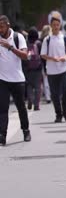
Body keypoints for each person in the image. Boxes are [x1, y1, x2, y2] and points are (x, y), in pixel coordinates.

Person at [0, 15, 31, 146]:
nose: (0, 29)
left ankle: (26, 130)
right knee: (2, 108)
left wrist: (10, 47)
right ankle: (2, 135)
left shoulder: (18, 37)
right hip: (2, 79)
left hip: (17, 79)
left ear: (8, 25)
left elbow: (25, 56)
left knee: (21, 107)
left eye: (1, 26)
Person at [40, 11, 66, 123]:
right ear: (51, 26)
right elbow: (43, 54)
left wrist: (65, 57)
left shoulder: (64, 38)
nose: (55, 27)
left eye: (57, 25)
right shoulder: (47, 39)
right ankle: (58, 114)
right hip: (52, 71)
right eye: (53, 25)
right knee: (54, 95)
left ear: (60, 25)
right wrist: (52, 58)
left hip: (64, 69)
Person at [24, 27, 43, 111]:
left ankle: (30, 100)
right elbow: (42, 56)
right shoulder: (39, 43)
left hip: (28, 68)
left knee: (29, 86)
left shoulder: (26, 43)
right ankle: (36, 104)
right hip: (38, 69)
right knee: (38, 87)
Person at [40, 25, 51, 104]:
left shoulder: (40, 40)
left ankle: (48, 96)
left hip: (42, 63)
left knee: (46, 80)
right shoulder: (49, 39)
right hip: (50, 61)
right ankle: (51, 95)